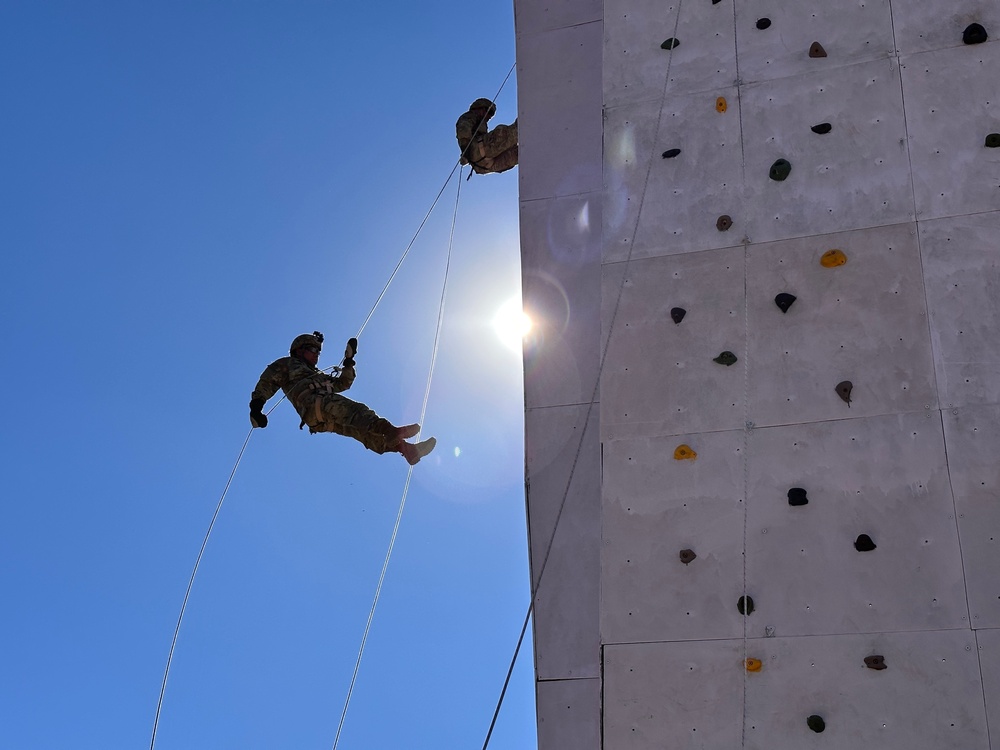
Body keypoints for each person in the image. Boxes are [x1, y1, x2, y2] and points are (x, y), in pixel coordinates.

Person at [249, 331, 436, 466]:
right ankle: (393, 431)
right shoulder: (287, 364)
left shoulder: (317, 374)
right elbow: (267, 382)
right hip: (315, 405)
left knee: (362, 432)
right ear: (299, 350)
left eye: (318, 352)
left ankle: (407, 450)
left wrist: (348, 362)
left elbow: (343, 384)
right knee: (358, 411)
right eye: (312, 349)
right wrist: (256, 408)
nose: (316, 355)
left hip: (320, 419)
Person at [455, 97, 518, 175]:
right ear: (480, 108)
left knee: (516, 154)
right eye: (489, 112)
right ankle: (523, 125)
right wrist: (466, 151)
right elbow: (463, 131)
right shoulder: (470, 116)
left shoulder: (481, 122)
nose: (490, 116)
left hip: (482, 165)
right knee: (502, 133)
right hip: (476, 151)